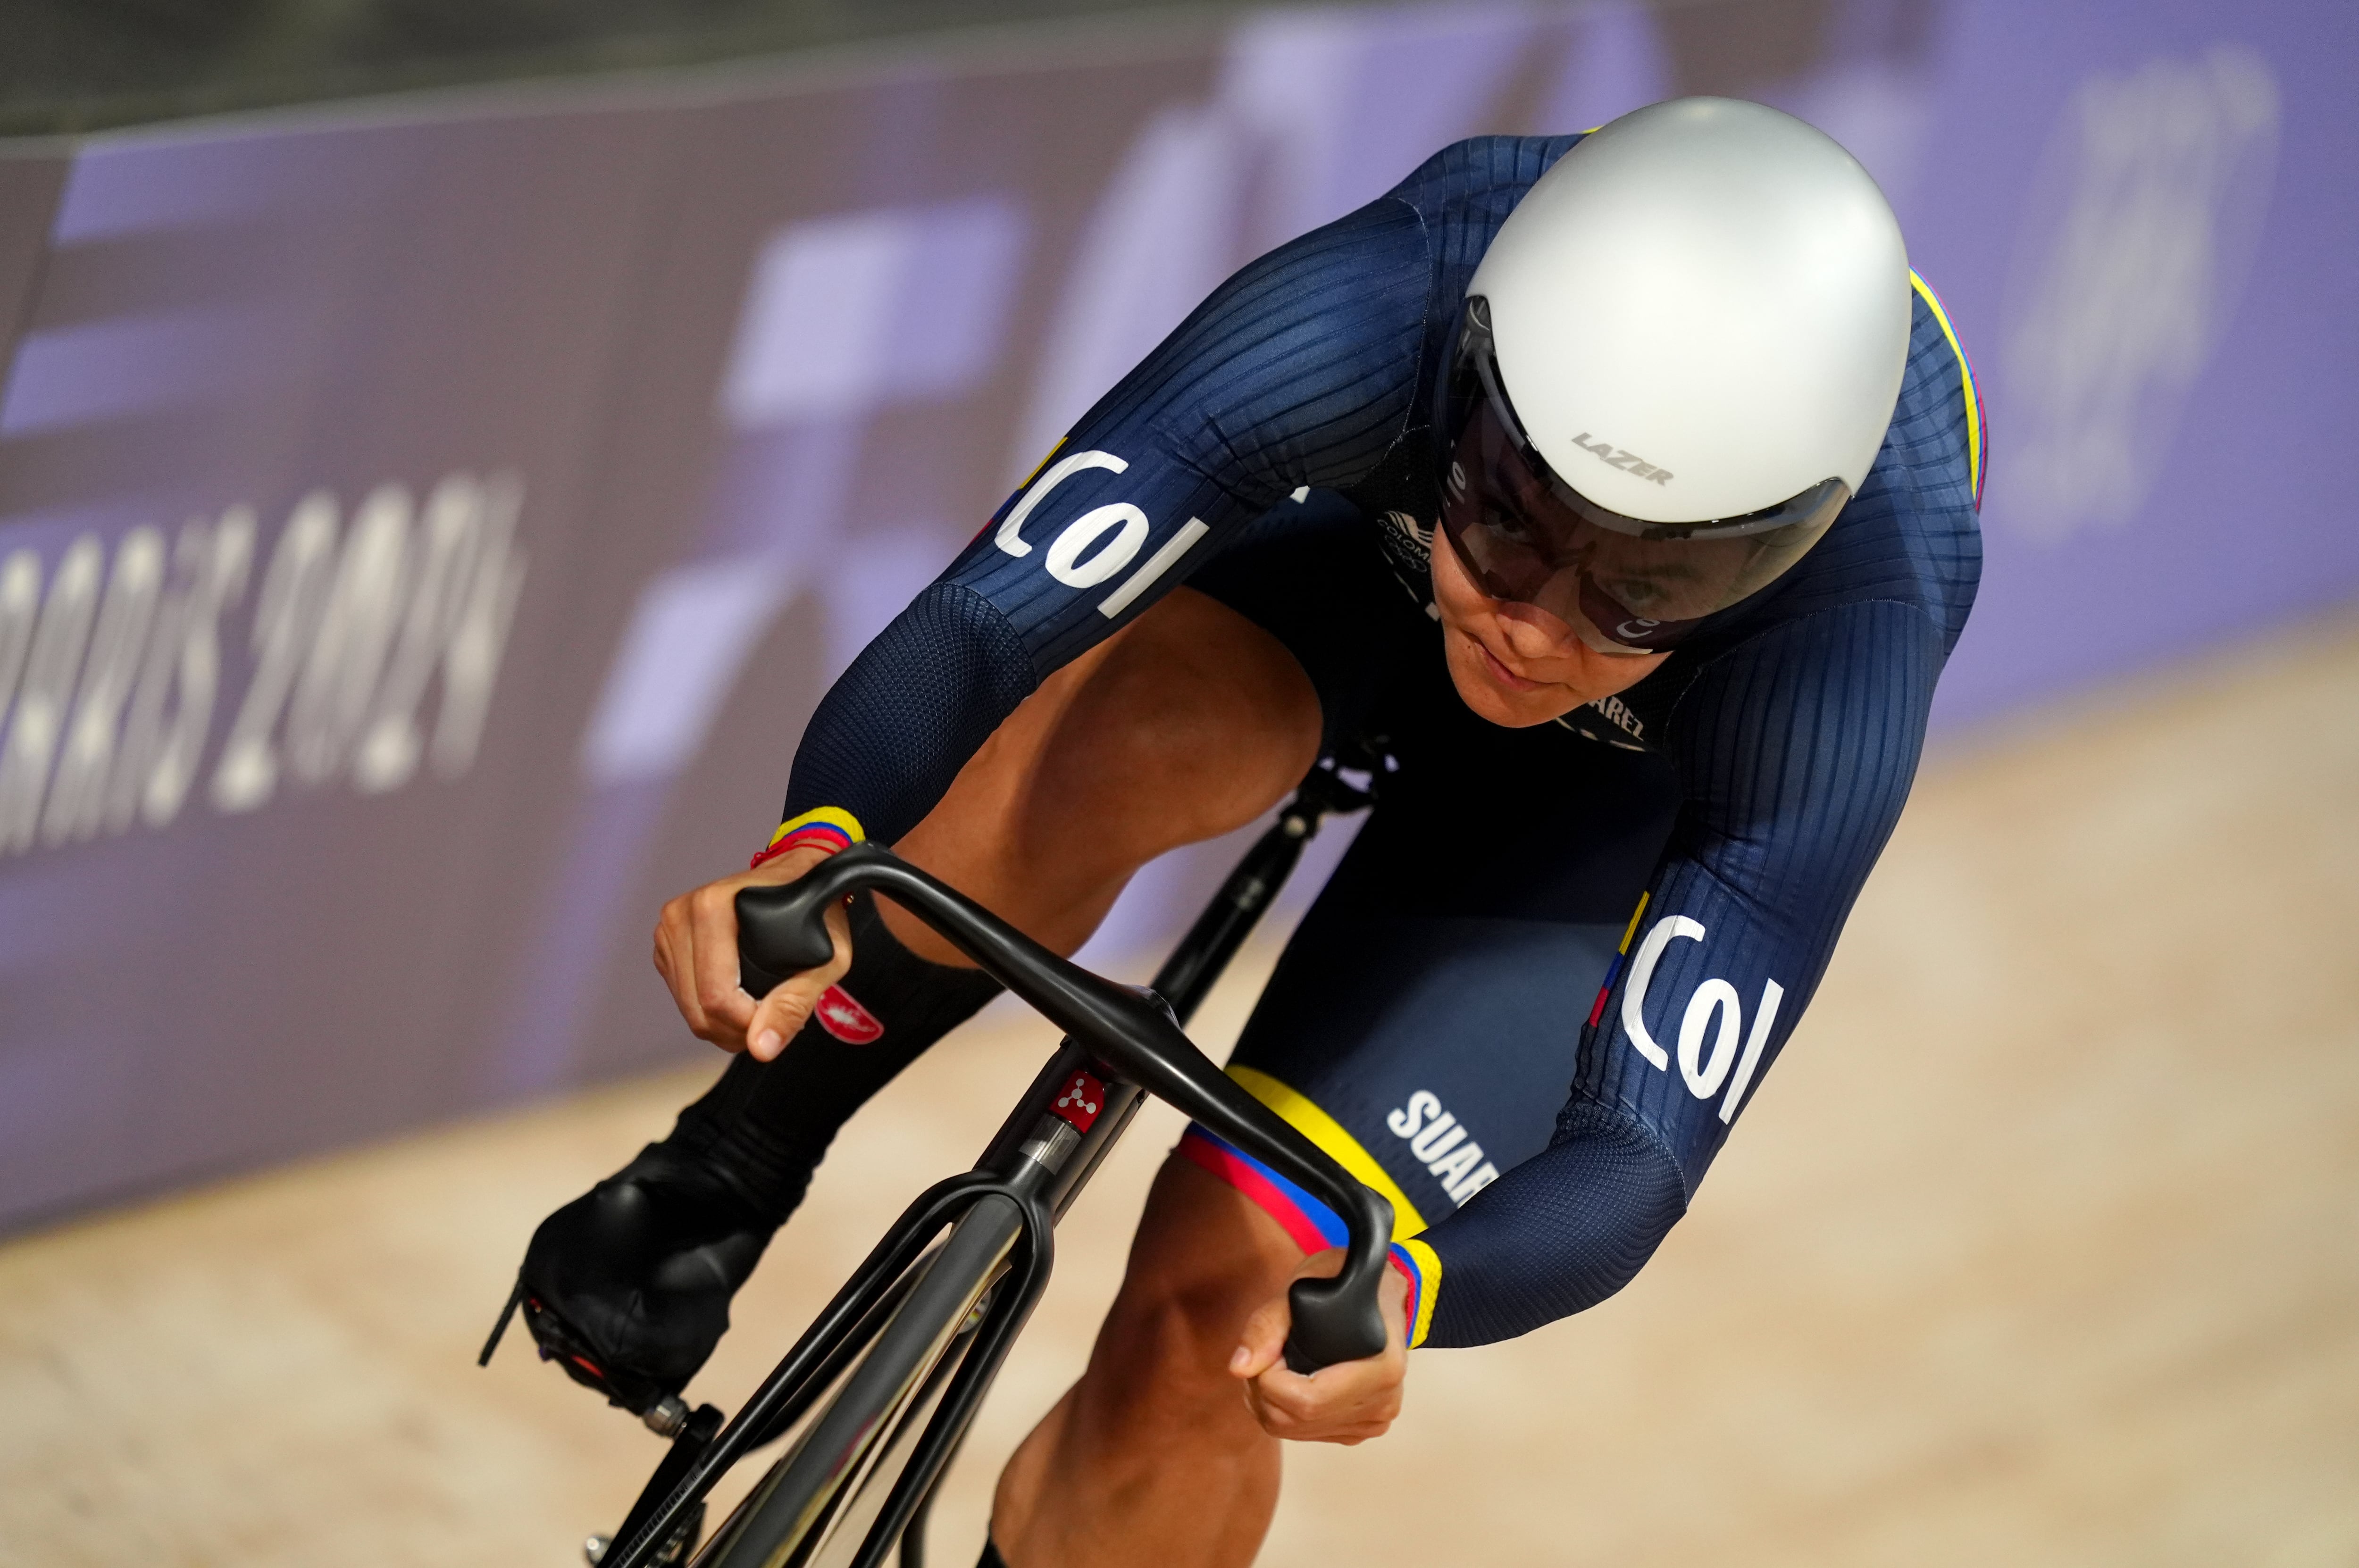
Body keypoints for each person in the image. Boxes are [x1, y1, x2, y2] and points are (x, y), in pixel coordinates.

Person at [512, 96, 1984, 1567]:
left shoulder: (1851, 638)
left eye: (1642, 587)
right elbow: (983, 620)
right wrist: (809, 848)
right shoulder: (1379, 301)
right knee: (1114, 742)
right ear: (1472, 367)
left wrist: (1404, 1290)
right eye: (1521, 519)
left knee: (1231, 1327)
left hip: (1607, 802)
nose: (1536, 625)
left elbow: (1636, 1156)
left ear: (1785, 548)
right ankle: (731, 1165)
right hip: (1362, 570)